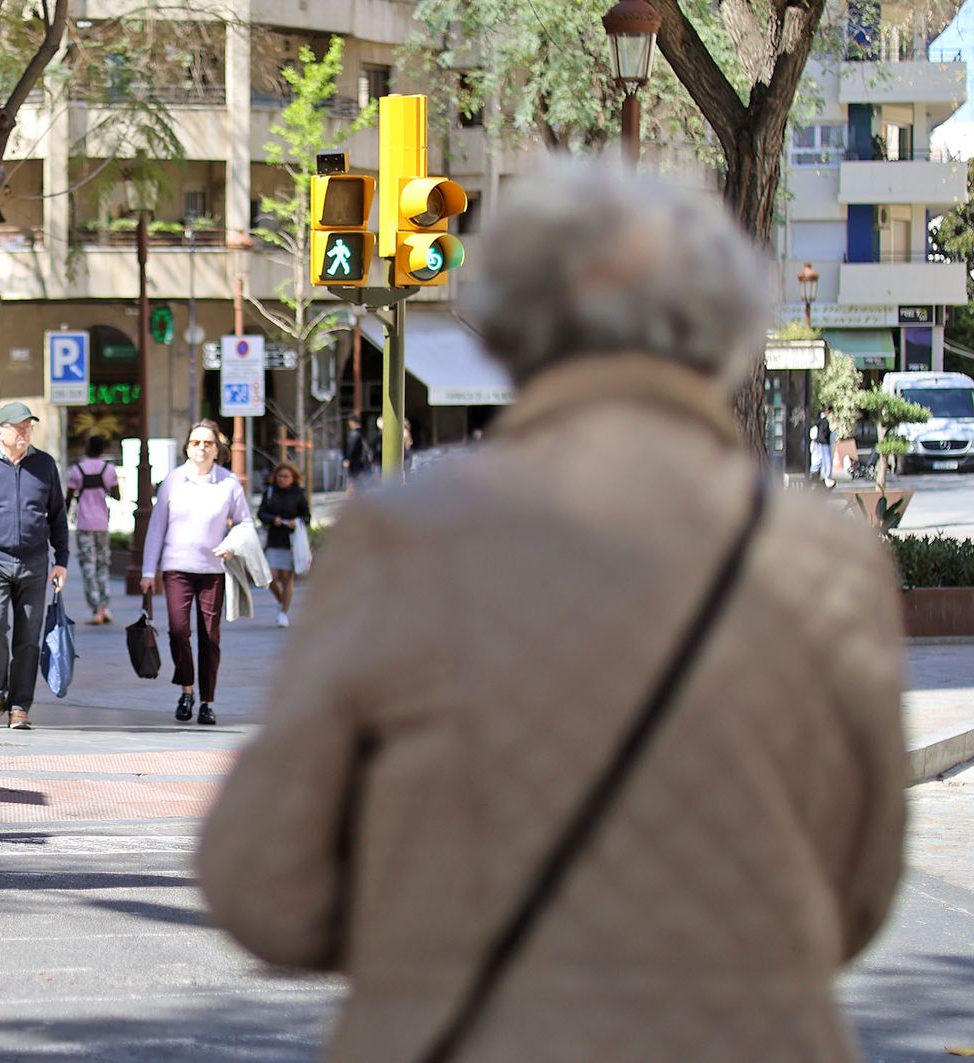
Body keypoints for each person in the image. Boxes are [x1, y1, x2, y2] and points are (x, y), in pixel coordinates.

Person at [197, 160, 908, 1061]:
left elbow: (263, 884)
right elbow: (859, 892)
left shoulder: (404, 539)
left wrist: (424, 922)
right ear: (725, 330)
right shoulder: (825, 557)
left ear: (511, 330)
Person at [0, 401, 68, 731]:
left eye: (28, 427)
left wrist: (61, 561)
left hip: (35, 562)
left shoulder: (45, 465)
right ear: (0, 431)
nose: (24, 433)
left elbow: (58, 516)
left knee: (29, 637)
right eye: (18, 428)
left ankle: (20, 705)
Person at [140, 419, 253, 726]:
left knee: (210, 638)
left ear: (218, 449)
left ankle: (206, 702)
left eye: (207, 443)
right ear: (187, 448)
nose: (201, 448)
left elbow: (244, 523)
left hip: (213, 570)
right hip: (177, 568)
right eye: (195, 442)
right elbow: (156, 528)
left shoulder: (229, 483)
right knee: (178, 632)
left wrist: (231, 544)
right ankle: (186, 689)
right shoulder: (173, 481)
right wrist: (148, 570)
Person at [66, 435, 120, 625]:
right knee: (103, 564)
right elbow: (117, 495)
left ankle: (95, 609)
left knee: (88, 566)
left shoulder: (77, 470)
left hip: (84, 524)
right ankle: (105, 607)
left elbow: (69, 497)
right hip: (102, 523)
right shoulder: (109, 469)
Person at [256, 462, 310, 627]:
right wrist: (273, 519)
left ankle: (283, 613)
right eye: (280, 476)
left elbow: (307, 517)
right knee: (270, 576)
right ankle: (282, 601)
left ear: (293, 478)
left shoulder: (299, 494)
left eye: (286, 476)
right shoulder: (270, 492)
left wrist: (297, 521)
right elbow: (261, 513)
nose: (282, 479)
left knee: (287, 578)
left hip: (292, 541)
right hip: (274, 538)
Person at [344, 415, 374, 494]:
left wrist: (347, 459)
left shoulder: (354, 434)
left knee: (353, 481)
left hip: (354, 462)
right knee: (361, 483)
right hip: (363, 462)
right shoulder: (365, 433)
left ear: (352, 423)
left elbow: (351, 448)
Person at [811, 403, 837, 488]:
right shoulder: (826, 420)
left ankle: (814, 472)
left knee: (817, 459)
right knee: (827, 460)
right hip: (824, 442)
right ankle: (827, 477)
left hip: (818, 442)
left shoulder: (819, 419)